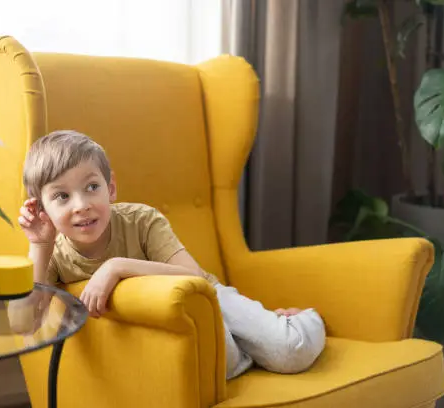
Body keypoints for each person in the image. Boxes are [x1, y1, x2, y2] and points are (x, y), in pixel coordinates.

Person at [18, 130, 326, 379]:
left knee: (290, 351)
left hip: (209, 300)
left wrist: (116, 267)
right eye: (62, 196)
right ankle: (260, 337)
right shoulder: (53, 252)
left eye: (91, 187)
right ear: (42, 209)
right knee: (227, 366)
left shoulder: (142, 220)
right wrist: (40, 245)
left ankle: (302, 320)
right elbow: (26, 324)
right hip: (171, 330)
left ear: (110, 189)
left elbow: (193, 277)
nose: (81, 204)